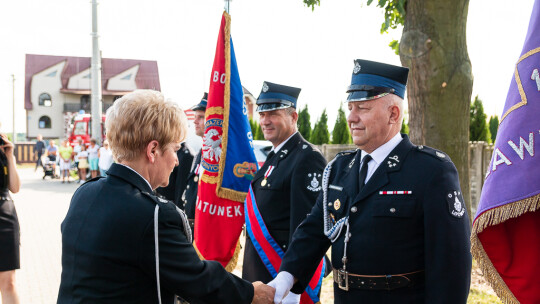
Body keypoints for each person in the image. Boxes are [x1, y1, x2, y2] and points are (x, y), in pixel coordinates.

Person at [269, 59, 472, 304]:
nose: (351, 117)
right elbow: (314, 230)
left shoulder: (431, 171)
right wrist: (286, 277)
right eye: (350, 107)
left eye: (362, 108)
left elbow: (450, 265)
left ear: (393, 113)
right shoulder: (340, 168)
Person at [57, 89, 274, 304]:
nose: (177, 160)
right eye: (174, 149)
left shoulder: (85, 192)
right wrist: (251, 293)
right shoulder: (152, 214)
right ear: (153, 151)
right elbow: (198, 280)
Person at [242, 82, 327, 303]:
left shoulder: (307, 158)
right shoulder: (275, 157)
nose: (264, 121)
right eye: (262, 114)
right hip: (261, 274)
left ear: (293, 117)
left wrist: (293, 288)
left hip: (281, 279)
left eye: (273, 114)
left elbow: (305, 227)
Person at [0, 132, 22, 304]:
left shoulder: (3, 150)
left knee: (8, 283)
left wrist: (9, 155)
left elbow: (15, 187)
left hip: (5, 215)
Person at [181, 92, 207, 231]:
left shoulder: (219, 157)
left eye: (201, 117)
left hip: (206, 228)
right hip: (193, 226)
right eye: (195, 117)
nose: (195, 121)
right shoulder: (200, 154)